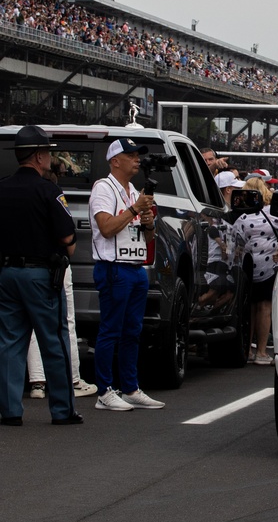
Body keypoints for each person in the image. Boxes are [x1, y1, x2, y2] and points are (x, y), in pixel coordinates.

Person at [0, 125, 81, 426]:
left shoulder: (2, 187)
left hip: (6, 272)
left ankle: (9, 411)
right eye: (47, 151)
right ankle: (62, 410)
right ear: (38, 156)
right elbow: (66, 239)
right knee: (54, 340)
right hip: (39, 274)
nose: (50, 157)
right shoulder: (49, 190)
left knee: (9, 341)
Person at [90, 137, 165, 411]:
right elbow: (106, 227)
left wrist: (147, 223)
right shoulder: (104, 188)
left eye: (137, 155)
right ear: (115, 161)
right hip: (114, 266)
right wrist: (135, 209)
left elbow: (147, 236)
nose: (137, 159)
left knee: (133, 331)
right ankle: (104, 390)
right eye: (131, 155)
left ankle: (130, 387)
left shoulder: (133, 190)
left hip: (135, 267)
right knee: (111, 329)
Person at [26, 164, 98, 400]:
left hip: (23, 266)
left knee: (28, 325)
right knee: (65, 322)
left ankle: (37, 382)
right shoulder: (54, 197)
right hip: (56, 266)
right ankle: (73, 379)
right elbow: (68, 240)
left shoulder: (18, 196)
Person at [233, 177, 278, 365]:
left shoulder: (242, 216)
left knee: (249, 308)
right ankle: (261, 351)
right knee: (265, 308)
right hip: (270, 265)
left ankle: (247, 348)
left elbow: (236, 240)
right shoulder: (274, 213)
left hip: (248, 266)